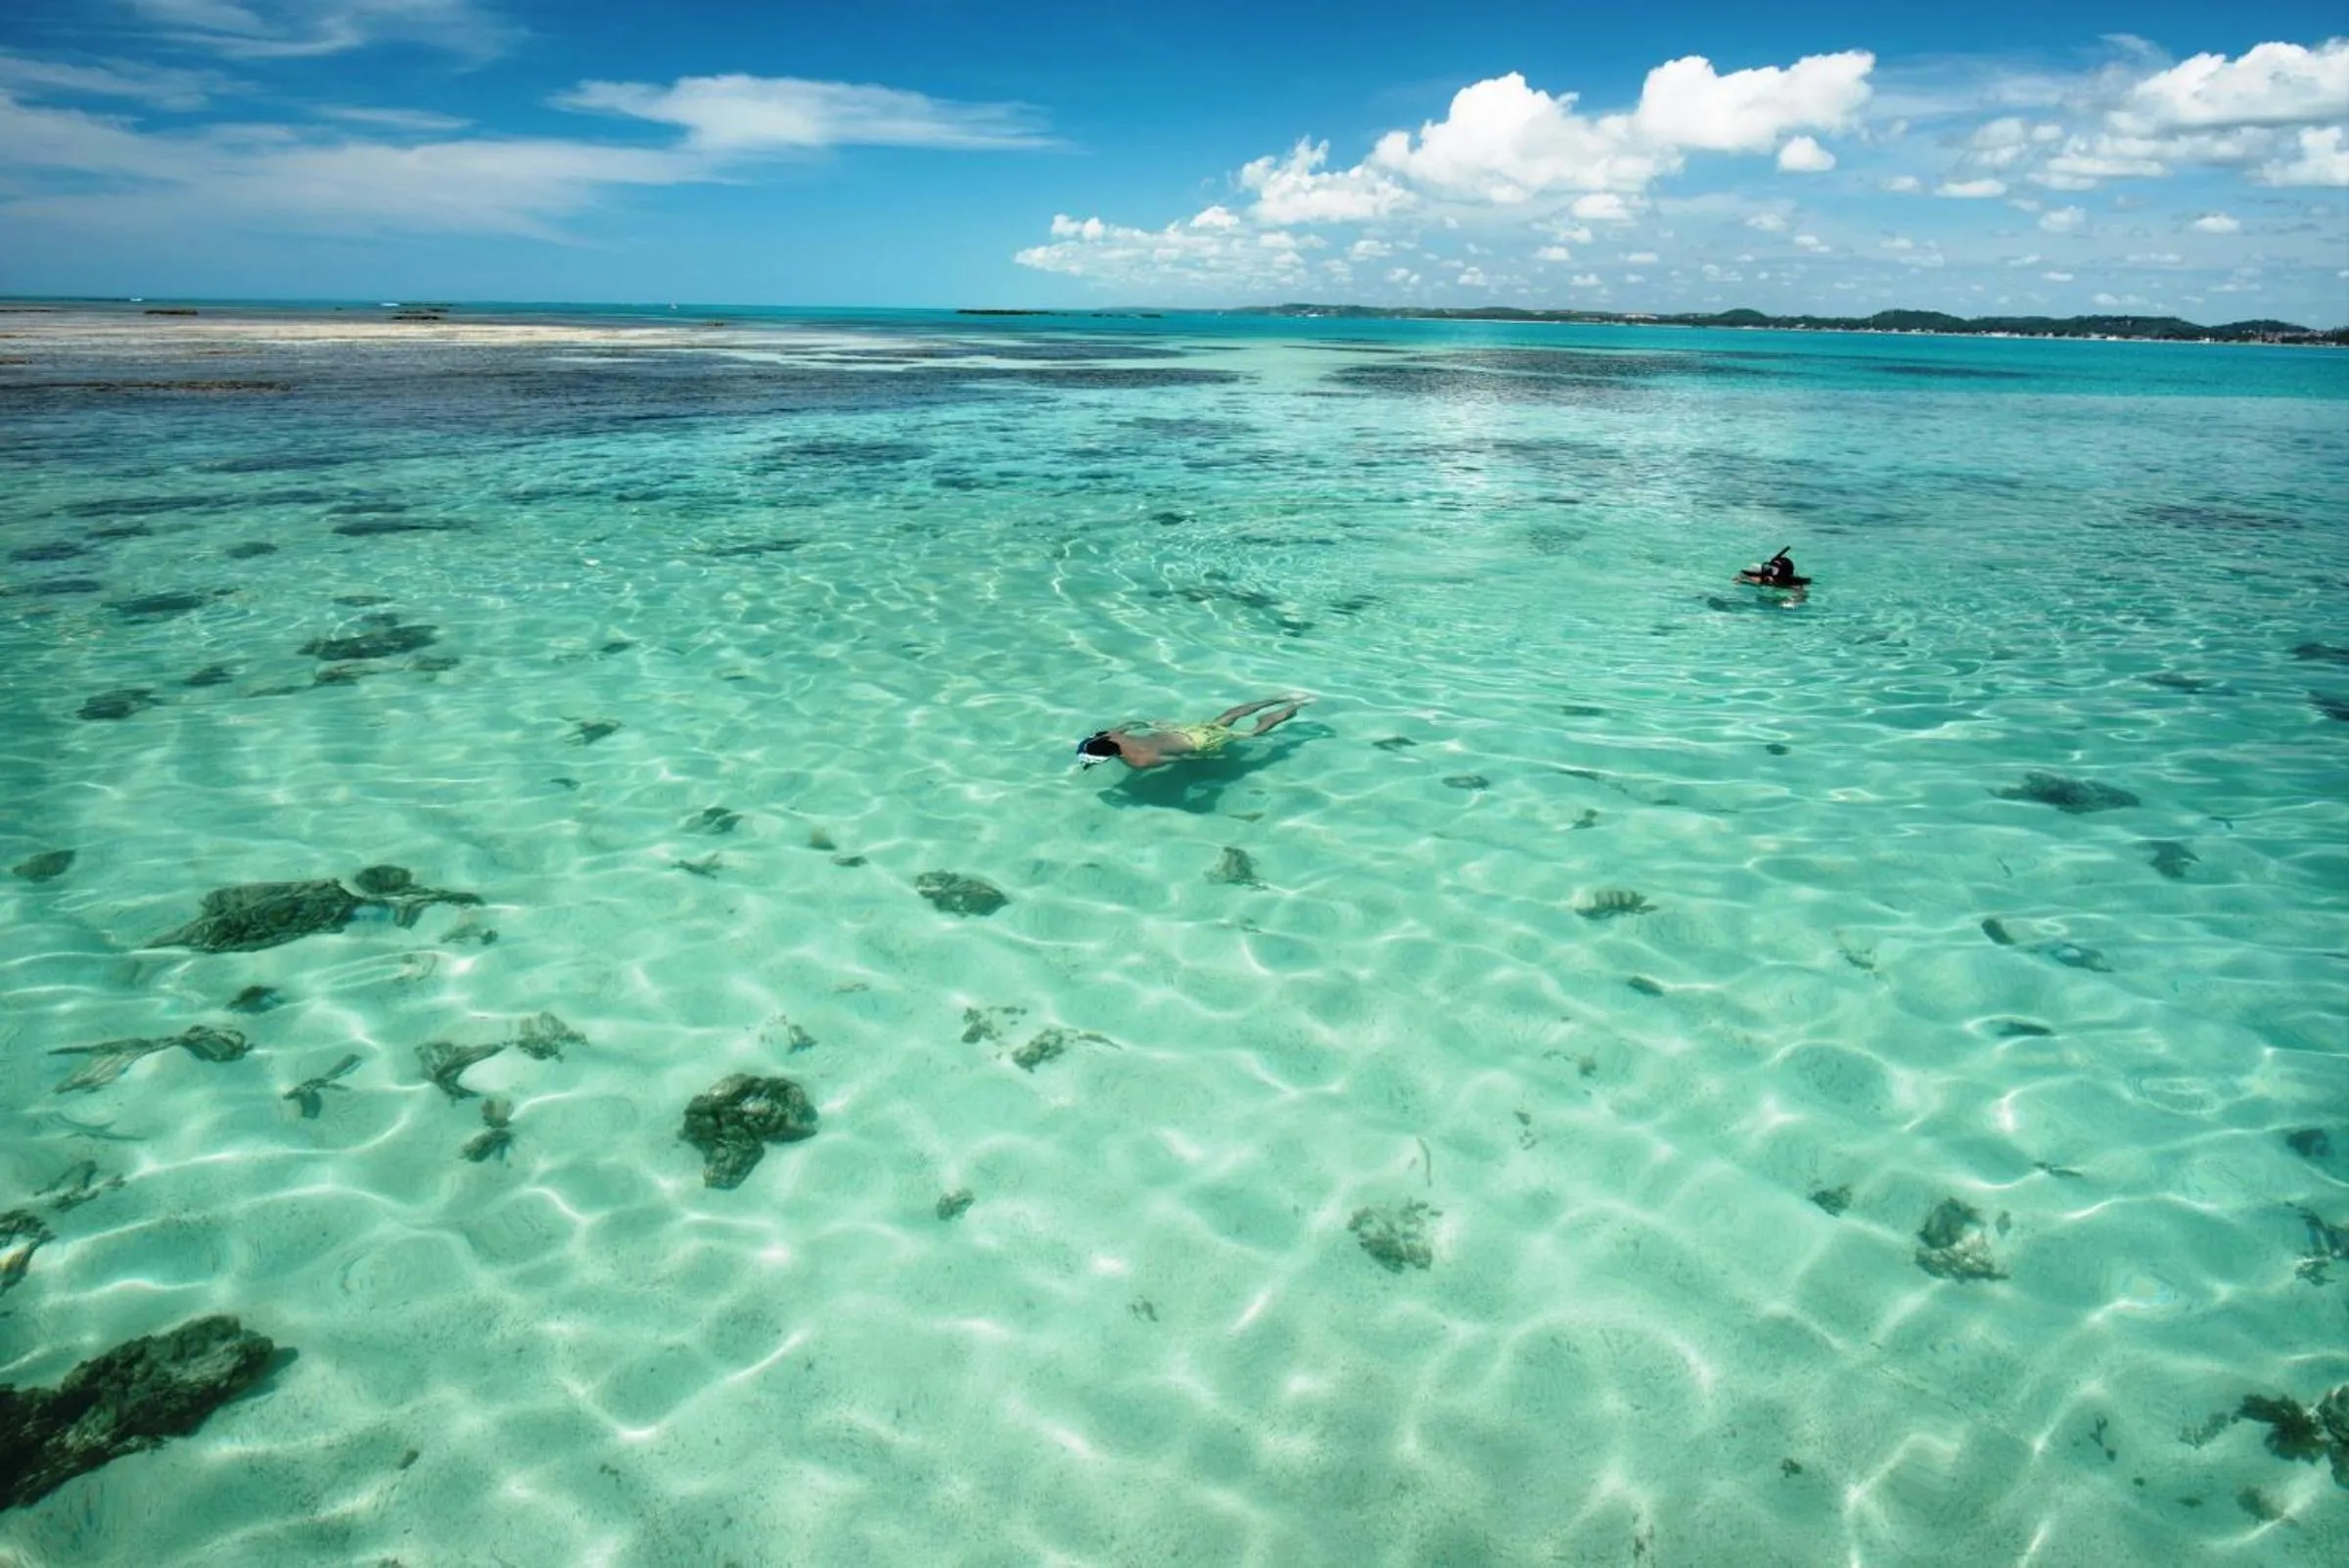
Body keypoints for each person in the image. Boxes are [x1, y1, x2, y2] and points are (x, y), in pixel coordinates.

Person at [1076, 696, 1312, 771]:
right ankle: (1285, 697)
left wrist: (1211, 758)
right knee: (1227, 717)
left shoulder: (1140, 761)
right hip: (1183, 730)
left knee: (1252, 733)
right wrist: (1153, 724)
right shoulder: (1110, 734)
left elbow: (1180, 759)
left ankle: (1294, 709)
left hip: (1200, 743)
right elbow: (1133, 723)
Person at [1736, 547, 1808, 588]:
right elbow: (1741, 575)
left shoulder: (1793, 584)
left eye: (1774, 571)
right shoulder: (1765, 578)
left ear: (1784, 575)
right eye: (1770, 569)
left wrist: (1790, 602)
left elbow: (1801, 596)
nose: (1770, 575)